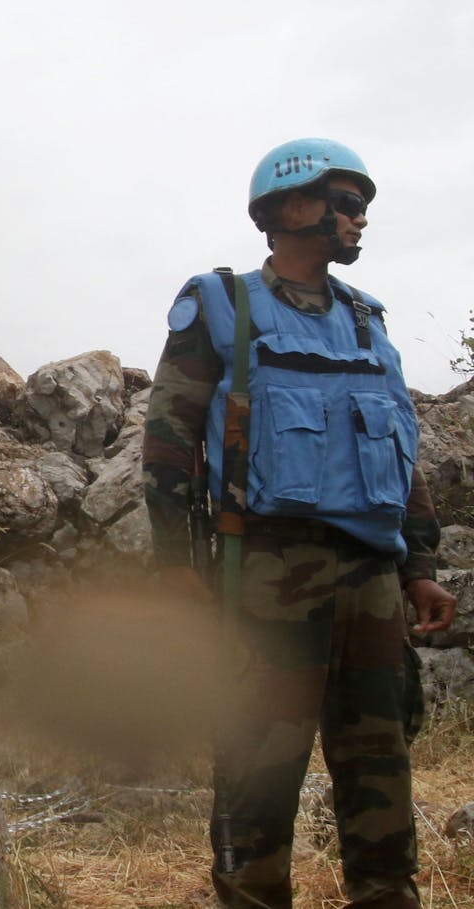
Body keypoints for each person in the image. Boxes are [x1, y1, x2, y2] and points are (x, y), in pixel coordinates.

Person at [142, 137, 456, 908]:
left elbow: (399, 444)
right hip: (267, 575)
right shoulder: (222, 305)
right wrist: (177, 566)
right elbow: (169, 443)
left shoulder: (366, 321)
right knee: (259, 767)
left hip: (374, 581)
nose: (360, 221)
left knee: (380, 764)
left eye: (363, 208)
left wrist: (419, 566)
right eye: (347, 204)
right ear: (292, 207)